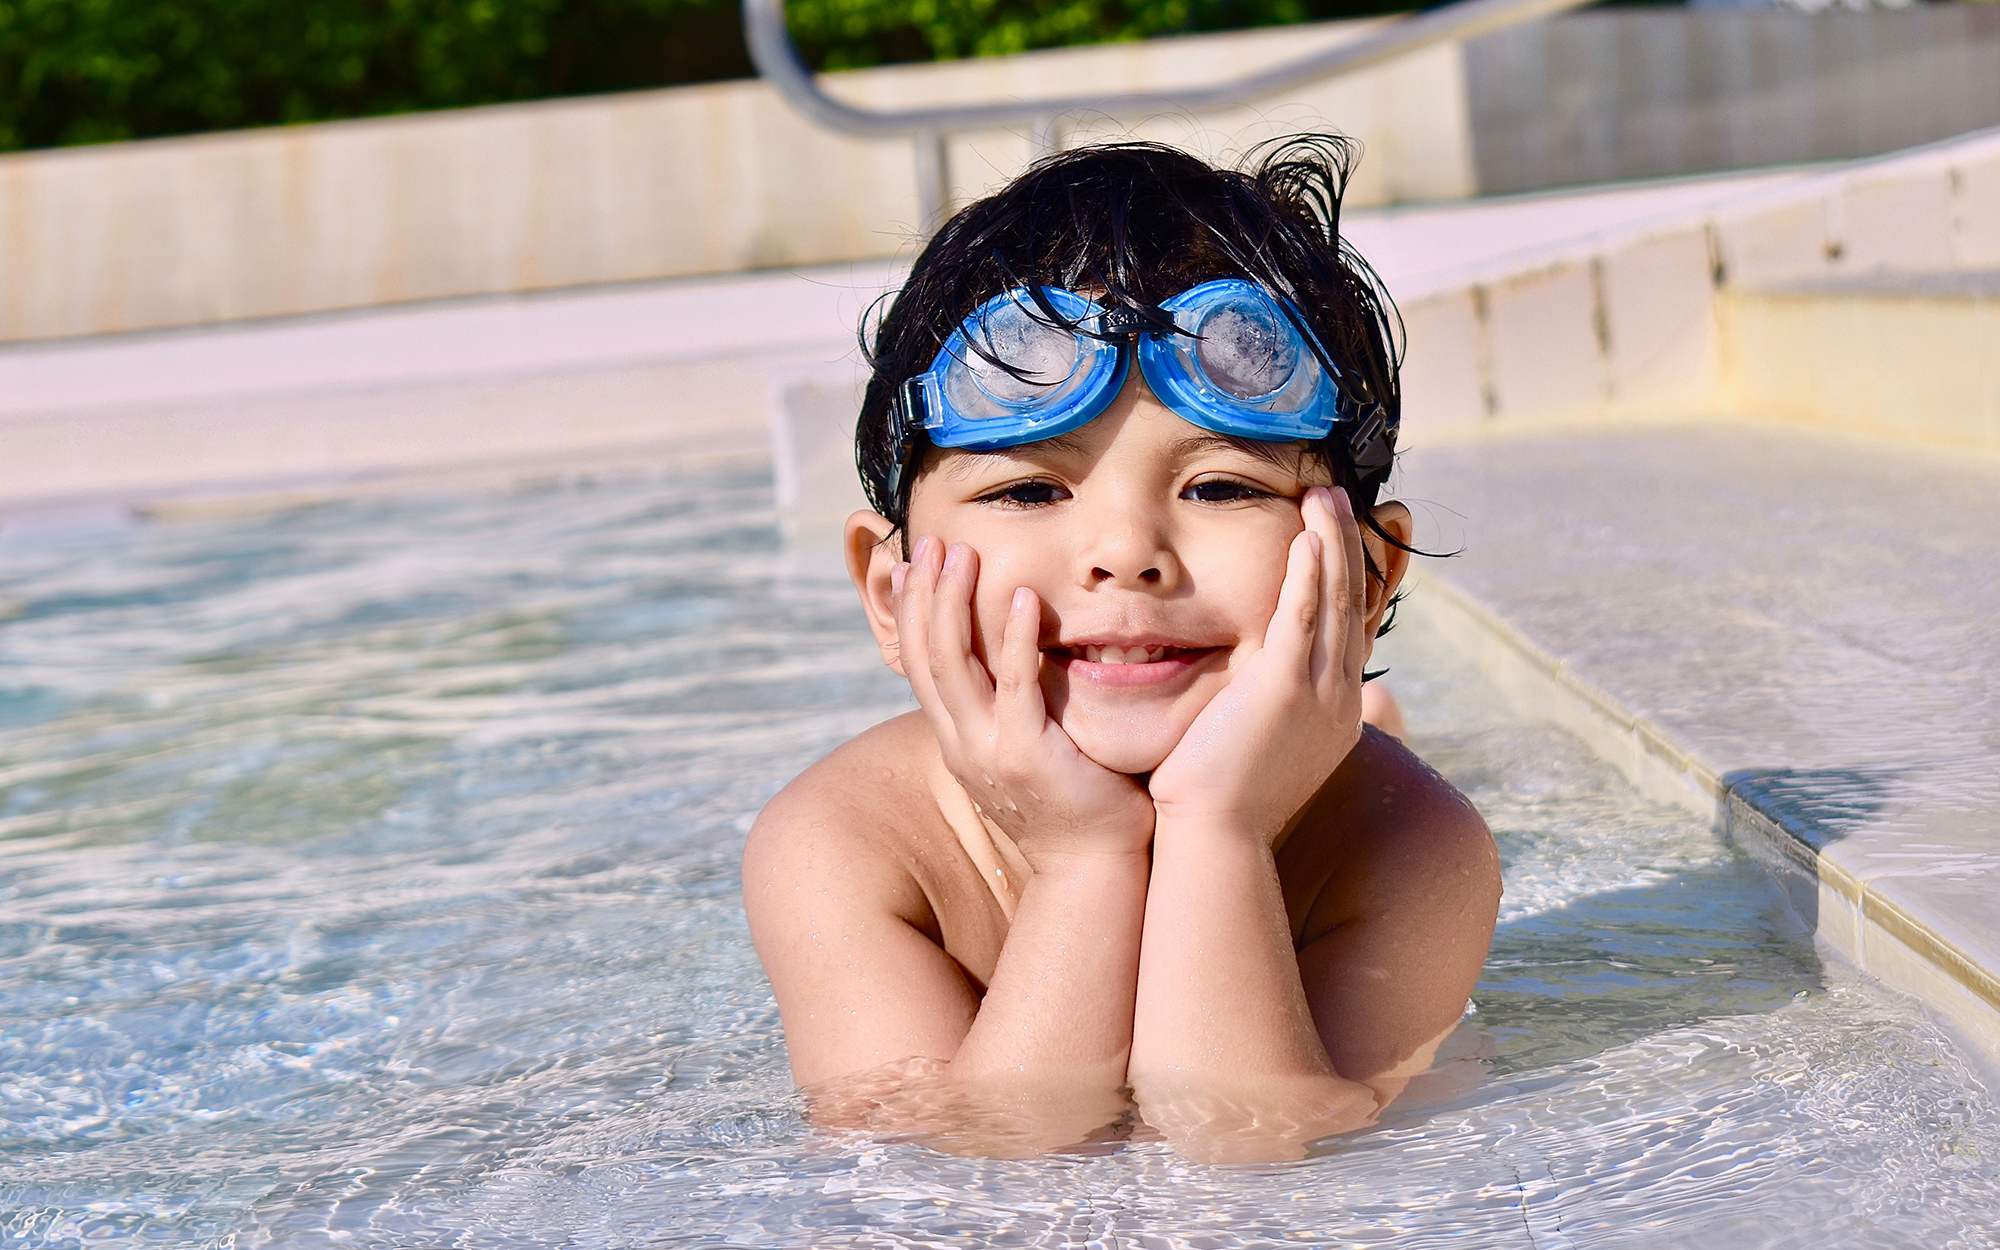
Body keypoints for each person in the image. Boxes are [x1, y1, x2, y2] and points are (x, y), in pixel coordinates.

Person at [743, 136, 1500, 1162]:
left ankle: (1362, 717)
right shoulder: (846, 843)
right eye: (1026, 489)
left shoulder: (1410, 845)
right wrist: (1082, 858)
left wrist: (1220, 828)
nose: (1124, 554)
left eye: (1221, 485)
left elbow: (1247, 1152)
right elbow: (966, 1176)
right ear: (889, 589)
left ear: (1365, 578)